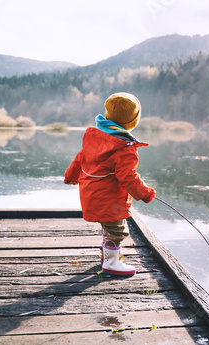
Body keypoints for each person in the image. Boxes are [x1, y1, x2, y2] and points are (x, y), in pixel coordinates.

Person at [64, 92, 156, 276]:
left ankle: (108, 256)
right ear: (132, 122)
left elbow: (79, 159)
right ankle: (111, 262)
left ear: (107, 116)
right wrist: (145, 194)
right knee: (118, 230)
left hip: (91, 194)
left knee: (109, 227)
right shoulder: (124, 148)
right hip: (110, 199)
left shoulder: (95, 137)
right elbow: (128, 177)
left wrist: (71, 176)